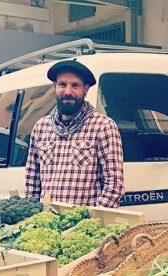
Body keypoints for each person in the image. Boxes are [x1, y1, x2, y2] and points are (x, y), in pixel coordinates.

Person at [24, 59, 124, 208]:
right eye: (62, 84)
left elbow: (114, 186)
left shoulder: (103, 126)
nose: (68, 92)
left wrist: (89, 222)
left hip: (86, 226)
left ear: (85, 89)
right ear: (54, 87)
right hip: (47, 224)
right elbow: (32, 181)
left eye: (75, 85)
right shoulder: (41, 127)